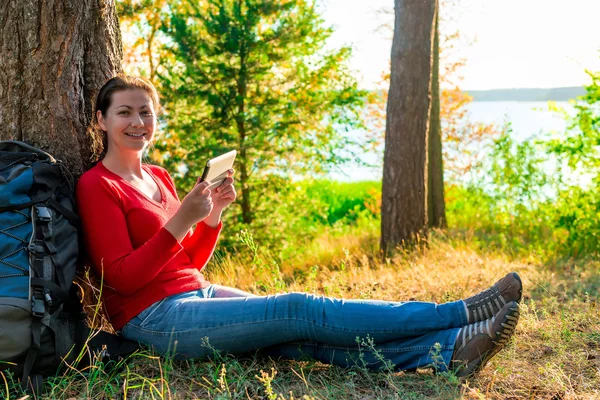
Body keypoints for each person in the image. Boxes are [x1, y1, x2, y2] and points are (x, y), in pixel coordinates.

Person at [76, 75, 522, 378]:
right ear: (102, 120)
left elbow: (186, 264)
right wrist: (180, 221)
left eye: (146, 113)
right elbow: (121, 279)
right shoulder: (97, 186)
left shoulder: (158, 176)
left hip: (196, 294)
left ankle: (447, 350)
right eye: (124, 113)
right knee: (299, 308)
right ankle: (459, 313)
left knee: (298, 337)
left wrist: (210, 218)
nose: (138, 123)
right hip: (153, 319)